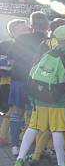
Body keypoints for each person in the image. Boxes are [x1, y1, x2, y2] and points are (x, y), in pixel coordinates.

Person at [13, 25, 65, 166]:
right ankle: (61, 165)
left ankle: (19, 159)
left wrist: (33, 98)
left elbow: (32, 74)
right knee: (57, 131)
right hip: (57, 101)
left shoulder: (47, 53)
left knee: (32, 128)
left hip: (39, 100)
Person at [8, 11, 49, 157]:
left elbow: (11, 61)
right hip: (38, 82)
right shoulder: (48, 40)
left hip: (18, 79)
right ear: (47, 24)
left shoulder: (19, 40)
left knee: (16, 113)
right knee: (35, 115)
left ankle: (15, 146)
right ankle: (36, 149)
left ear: (32, 25)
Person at [0, 19, 29, 147]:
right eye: (24, 28)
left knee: (16, 109)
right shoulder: (6, 45)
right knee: (18, 109)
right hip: (11, 82)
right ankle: (20, 137)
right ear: (14, 31)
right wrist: (13, 66)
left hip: (14, 81)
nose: (28, 30)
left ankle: (4, 136)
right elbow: (4, 65)